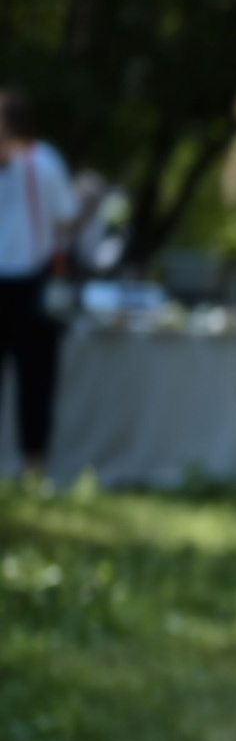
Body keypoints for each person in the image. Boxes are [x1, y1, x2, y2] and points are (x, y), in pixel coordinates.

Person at [0, 88, 78, 484]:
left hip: (32, 280)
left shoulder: (42, 164)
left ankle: (34, 470)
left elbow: (66, 219)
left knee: (36, 381)